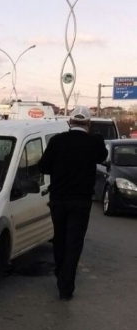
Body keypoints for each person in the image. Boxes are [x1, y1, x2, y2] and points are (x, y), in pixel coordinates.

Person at [38, 106, 108, 301]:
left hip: (58, 200)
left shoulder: (57, 141)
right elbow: (103, 157)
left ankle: (61, 272)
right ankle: (65, 286)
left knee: (59, 239)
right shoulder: (94, 142)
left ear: (69, 122)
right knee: (74, 243)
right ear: (88, 124)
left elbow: (43, 167)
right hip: (81, 201)